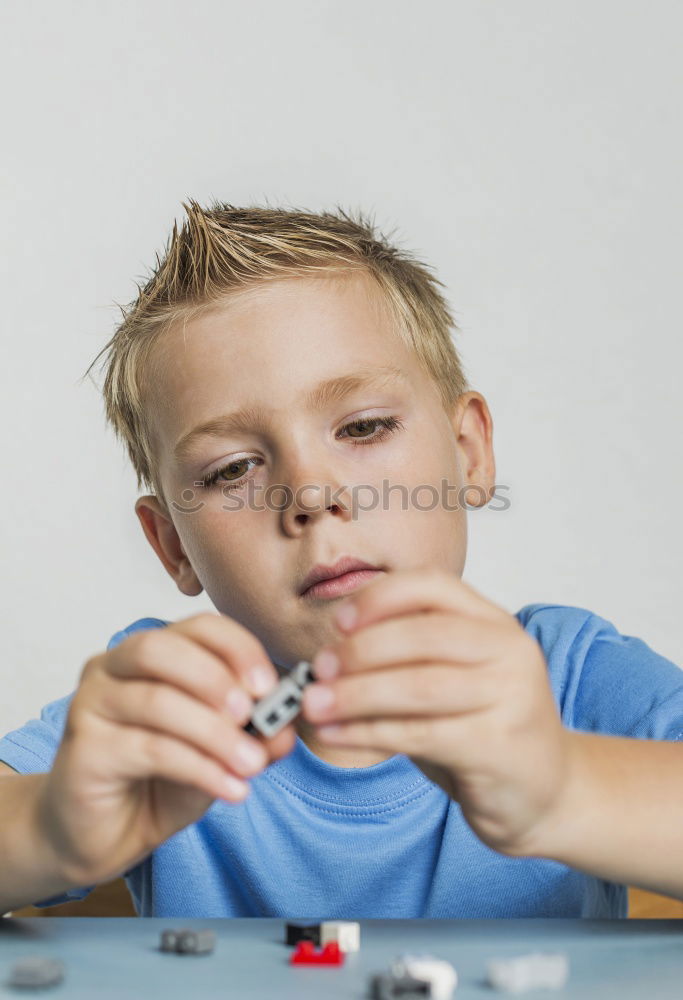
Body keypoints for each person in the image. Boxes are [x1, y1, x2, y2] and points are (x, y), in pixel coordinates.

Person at [1, 201, 682, 919]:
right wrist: (51, 829)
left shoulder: (572, 677)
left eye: (363, 427)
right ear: (172, 544)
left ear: (469, 453)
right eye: (232, 470)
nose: (310, 493)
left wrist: (564, 788)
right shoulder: (171, 713)